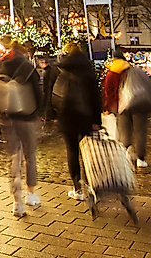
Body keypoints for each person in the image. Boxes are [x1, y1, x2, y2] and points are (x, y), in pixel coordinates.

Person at [46, 41, 102, 201]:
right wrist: (97, 120)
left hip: (66, 116)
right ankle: (91, 186)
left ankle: (77, 188)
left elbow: (52, 93)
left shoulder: (60, 69)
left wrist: (52, 116)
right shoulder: (89, 71)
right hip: (85, 116)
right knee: (88, 152)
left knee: (72, 151)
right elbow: (95, 98)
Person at [0, 41, 42, 217]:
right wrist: (39, 112)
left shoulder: (2, 66)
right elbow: (39, 93)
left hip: (7, 118)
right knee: (29, 155)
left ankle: (17, 202)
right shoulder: (28, 68)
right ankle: (31, 193)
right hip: (27, 116)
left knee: (13, 157)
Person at [102, 49, 150, 169]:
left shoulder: (111, 73)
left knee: (124, 131)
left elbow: (109, 92)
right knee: (140, 131)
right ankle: (140, 159)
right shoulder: (133, 70)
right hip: (138, 103)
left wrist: (108, 107)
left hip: (122, 106)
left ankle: (127, 151)